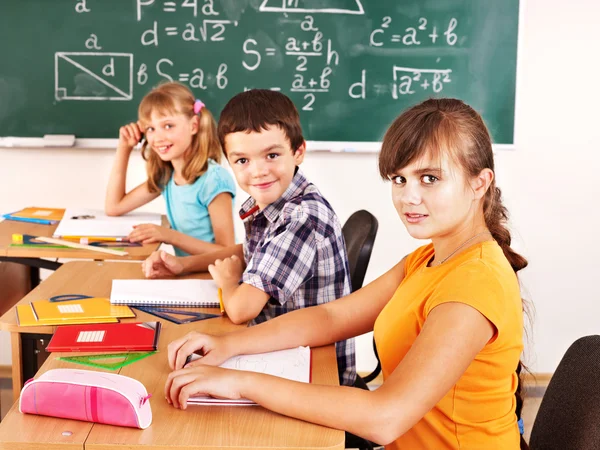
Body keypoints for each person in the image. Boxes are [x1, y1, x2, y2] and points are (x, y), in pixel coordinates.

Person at [163, 98, 530, 449]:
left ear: (479, 183)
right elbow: (332, 316)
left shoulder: (475, 282)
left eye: (429, 178)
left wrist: (240, 382)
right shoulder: (428, 259)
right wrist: (229, 345)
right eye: (399, 180)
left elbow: (385, 417)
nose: (408, 197)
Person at [142, 89, 356, 387]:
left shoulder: (302, 216)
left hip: (313, 370)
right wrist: (184, 265)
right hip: (277, 346)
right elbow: (249, 253)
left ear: (298, 152)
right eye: (242, 160)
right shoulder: (272, 202)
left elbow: (242, 310)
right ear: (229, 162)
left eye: (271, 155)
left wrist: (229, 283)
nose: (258, 171)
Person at [105, 81, 236, 256]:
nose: (158, 137)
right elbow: (114, 207)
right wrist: (124, 148)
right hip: (184, 272)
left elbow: (227, 253)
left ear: (194, 125)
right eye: (150, 128)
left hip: (210, 278)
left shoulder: (213, 180)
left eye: (168, 126)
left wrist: (168, 235)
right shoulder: (167, 177)